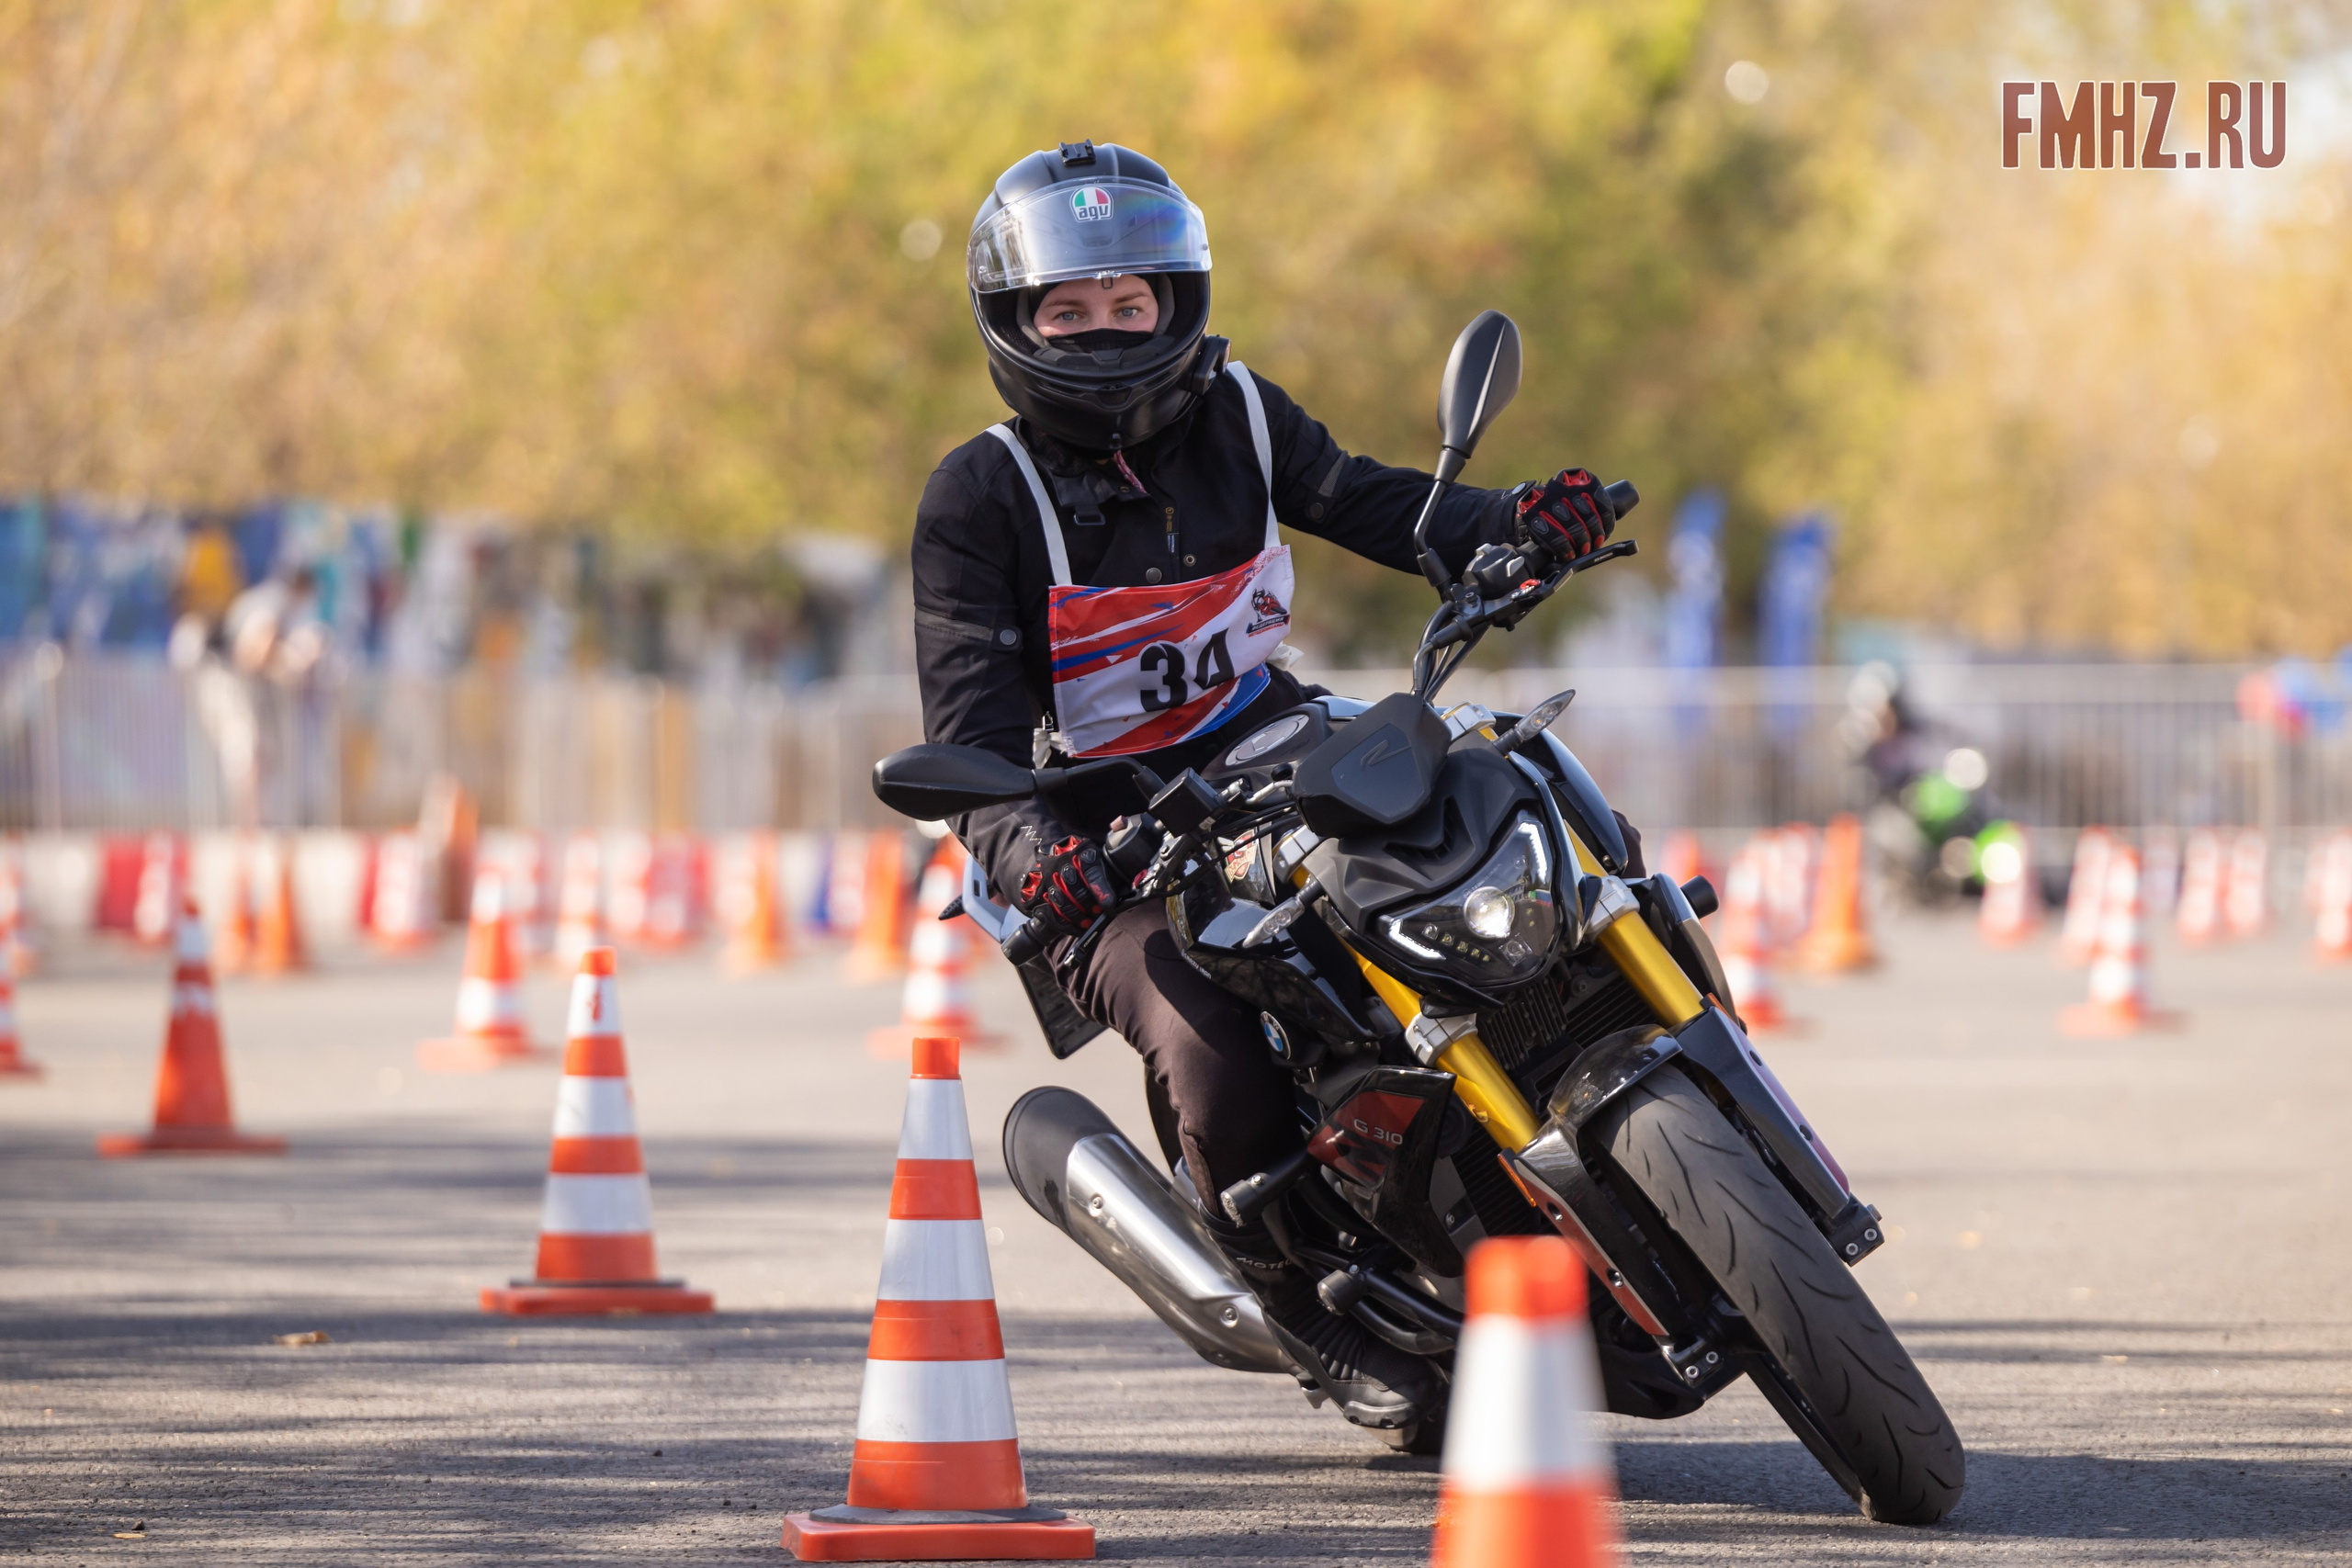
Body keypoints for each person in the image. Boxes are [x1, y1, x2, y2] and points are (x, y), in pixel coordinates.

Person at [912, 140, 1629, 1431]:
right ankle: (1295, 1306)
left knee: (1499, 798)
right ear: (1016, 325)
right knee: (1208, 1041)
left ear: (1174, 302)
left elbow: (1372, 505)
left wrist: (1524, 522)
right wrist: (1041, 862)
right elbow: (970, 722)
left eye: (1128, 302)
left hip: (1271, 743)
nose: (1101, 329)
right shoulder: (979, 493)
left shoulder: (1240, 409)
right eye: (1065, 311)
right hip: (1097, 839)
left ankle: (1616, 1071)